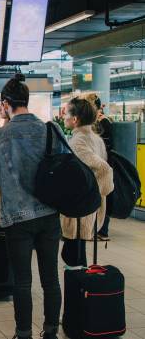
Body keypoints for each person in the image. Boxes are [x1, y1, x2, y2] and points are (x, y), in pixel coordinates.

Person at [0, 74, 64, 339]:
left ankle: (24, 333)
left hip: (17, 218)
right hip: (50, 214)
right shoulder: (50, 130)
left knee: (22, 281)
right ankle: (51, 331)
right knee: (51, 278)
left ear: (6, 104)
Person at [61, 97, 114, 268]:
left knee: (73, 255)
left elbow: (104, 169)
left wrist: (97, 192)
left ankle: (78, 291)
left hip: (79, 209)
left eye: (66, 113)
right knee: (76, 252)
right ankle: (79, 288)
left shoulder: (78, 141)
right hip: (88, 208)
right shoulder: (94, 138)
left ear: (75, 119)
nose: (63, 116)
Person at [87, 93, 113, 241]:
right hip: (98, 164)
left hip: (102, 166)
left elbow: (106, 147)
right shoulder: (95, 122)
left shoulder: (103, 122)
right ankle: (96, 228)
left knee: (102, 197)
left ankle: (102, 229)